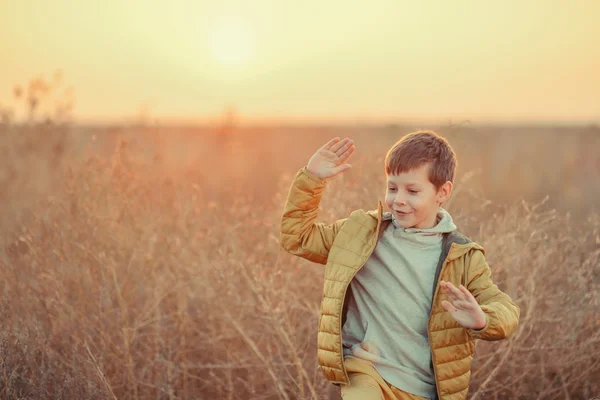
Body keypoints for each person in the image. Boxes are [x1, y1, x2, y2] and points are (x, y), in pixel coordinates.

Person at [279, 131, 520, 400]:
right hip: (366, 371)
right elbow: (297, 238)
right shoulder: (361, 233)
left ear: (443, 192)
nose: (399, 199)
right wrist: (312, 179)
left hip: (425, 388)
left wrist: (482, 320)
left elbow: (506, 309)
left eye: (413, 191)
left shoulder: (462, 255)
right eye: (392, 188)